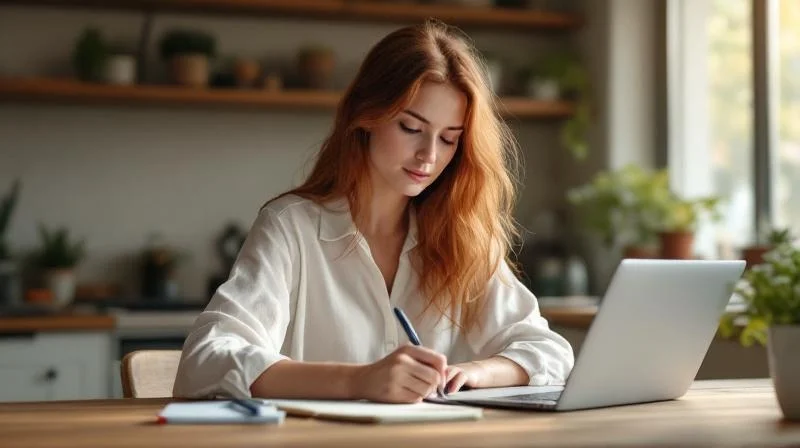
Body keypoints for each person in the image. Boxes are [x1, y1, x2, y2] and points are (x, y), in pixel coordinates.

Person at [173, 20, 574, 404]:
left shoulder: (462, 233)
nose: (429, 156)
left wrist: (473, 373)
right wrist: (360, 380)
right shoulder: (291, 227)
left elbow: (549, 350)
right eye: (411, 128)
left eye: (449, 139)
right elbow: (206, 361)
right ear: (366, 116)